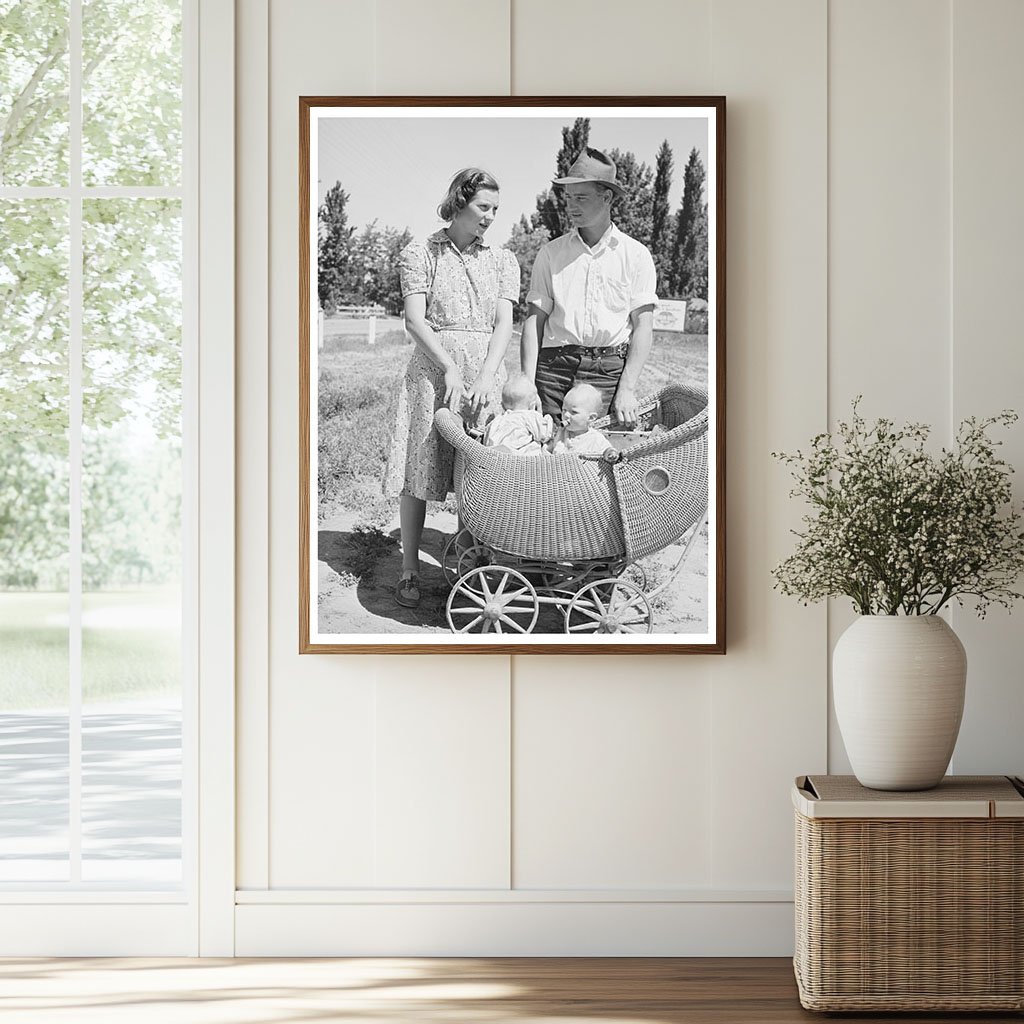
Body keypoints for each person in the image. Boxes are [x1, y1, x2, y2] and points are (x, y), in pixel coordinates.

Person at [382, 168, 520, 608]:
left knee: (476, 473)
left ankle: (469, 567)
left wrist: (483, 376)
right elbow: (414, 320)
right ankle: (409, 571)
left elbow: (504, 325)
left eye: (496, 209)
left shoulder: (503, 260)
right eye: (483, 206)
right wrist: (449, 368)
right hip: (431, 373)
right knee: (419, 472)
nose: (490, 217)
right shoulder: (421, 252)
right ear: (459, 202)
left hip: (483, 378)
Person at [521, 147, 658, 430]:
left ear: (607, 197)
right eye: (569, 197)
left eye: (581, 198)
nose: (572, 206)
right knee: (545, 455)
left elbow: (643, 327)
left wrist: (628, 389)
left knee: (598, 459)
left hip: (608, 372)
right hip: (552, 371)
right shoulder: (550, 254)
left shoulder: (636, 255)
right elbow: (534, 322)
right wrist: (527, 383)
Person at [482, 373, 554, 456]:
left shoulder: (496, 421)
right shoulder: (529, 416)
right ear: (532, 405)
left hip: (496, 459)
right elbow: (545, 433)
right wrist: (546, 419)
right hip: (522, 460)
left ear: (502, 405)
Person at [547, 383, 612, 456]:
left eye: (574, 412)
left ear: (591, 418)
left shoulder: (596, 439)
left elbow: (609, 454)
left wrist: (610, 455)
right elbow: (548, 450)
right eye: (564, 410)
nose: (566, 415)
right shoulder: (560, 432)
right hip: (559, 466)